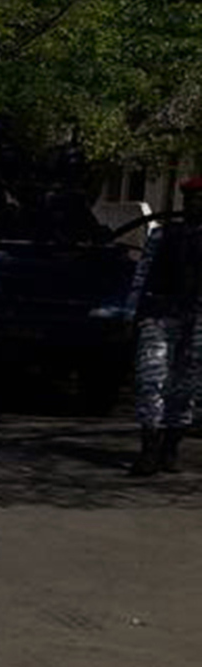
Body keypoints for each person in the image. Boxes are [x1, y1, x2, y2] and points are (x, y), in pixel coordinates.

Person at [129, 176, 202, 476]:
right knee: (152, 380)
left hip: (196, 318)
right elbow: (142, 274)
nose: (194, 205)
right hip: (160, 314)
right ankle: (149, 448)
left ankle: (170, 447)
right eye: (191, 199)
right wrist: (132, 314)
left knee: (186, 385)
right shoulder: (164, 234)